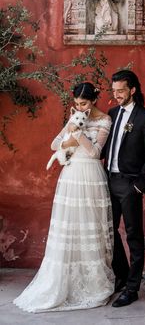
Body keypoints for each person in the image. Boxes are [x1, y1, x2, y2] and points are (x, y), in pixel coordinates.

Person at [14, 82, 114, 312]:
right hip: (70, 175)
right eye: (76, 103)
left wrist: (77, 135)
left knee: (90, 225)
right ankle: (63, 282)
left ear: (93, 101)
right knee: (70, 226)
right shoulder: (74, 116)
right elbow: (54, 144)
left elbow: (95, 152)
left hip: (90, 175)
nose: (79, 107)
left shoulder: (104, 120)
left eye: (84, 103)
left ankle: (93, 282)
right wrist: (68, 139)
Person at [103, 70, 145, 307]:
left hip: (130, 185)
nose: (116, 95)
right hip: (109, 180)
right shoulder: (112, 113)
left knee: (134, 235)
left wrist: (138, 185)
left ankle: (133, 288)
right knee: (109, 231)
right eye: (114, 90)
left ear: (133, 90)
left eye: (121, 91)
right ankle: (123, 275)